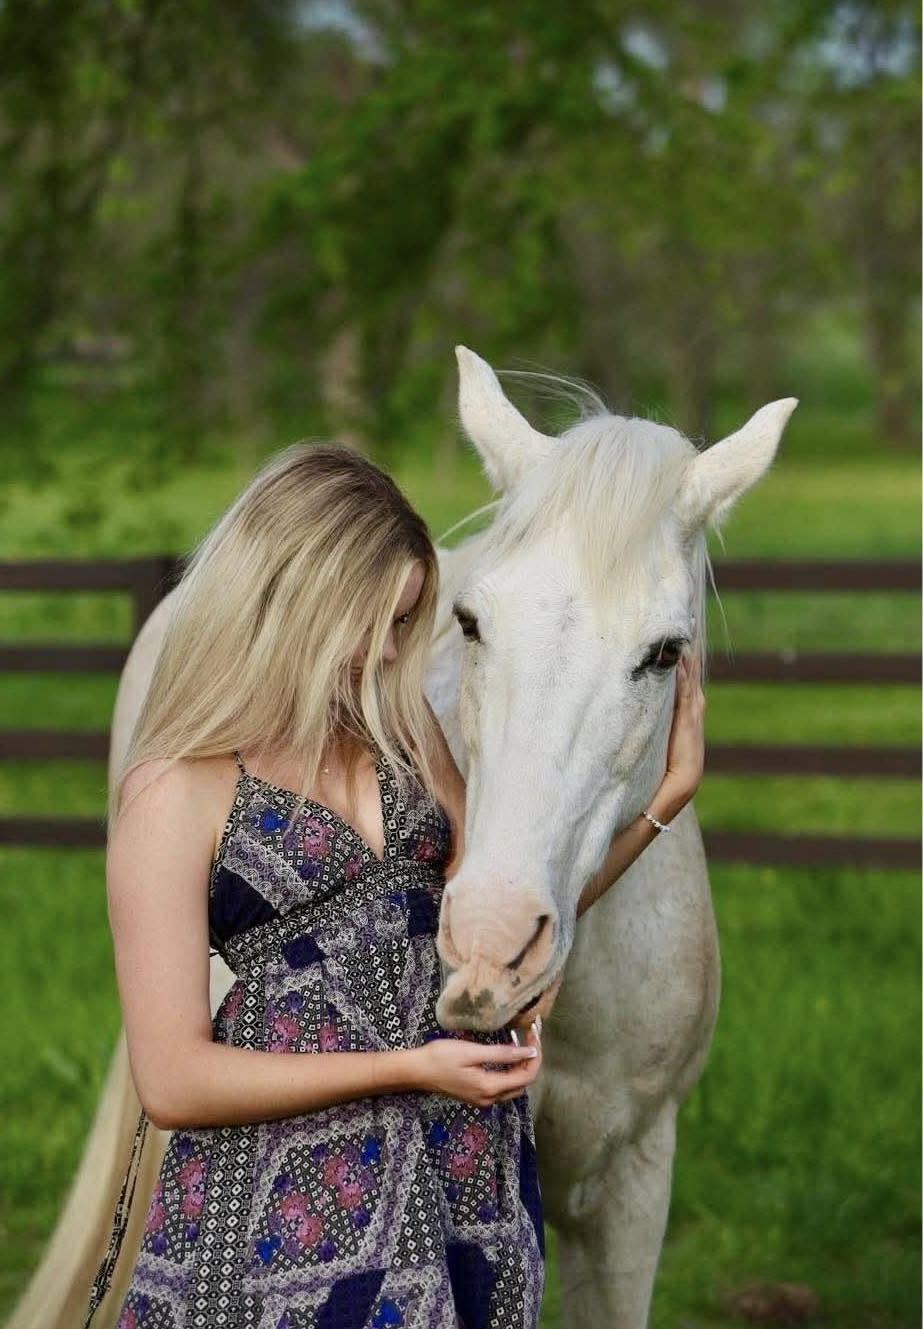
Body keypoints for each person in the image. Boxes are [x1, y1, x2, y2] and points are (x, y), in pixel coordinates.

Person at [97, 440, 706, 1329]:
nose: (394, 650)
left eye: (409, 620)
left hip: (456, 1171)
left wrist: (662, 802)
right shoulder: (171, 793)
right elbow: (173, 1079)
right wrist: (410, 1068)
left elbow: (494, 921)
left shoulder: (401, 729)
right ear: (294, 600)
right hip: (294, 1202)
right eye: (380, 620)